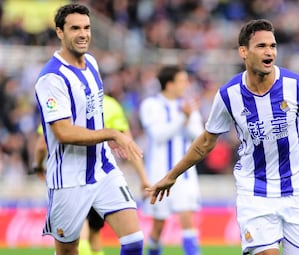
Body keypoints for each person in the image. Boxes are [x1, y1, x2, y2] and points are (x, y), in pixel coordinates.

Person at [146, 19, 299, 255]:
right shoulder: (228, 95)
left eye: (273, 46)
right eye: (261, 46)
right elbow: (206, 141)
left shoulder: (298, 86)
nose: (269, 52)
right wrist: (172, 176)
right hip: (255, 193)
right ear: (243, 52)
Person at [34, 3, 145, 255]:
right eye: (75, 28)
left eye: (87, 27)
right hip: (69, 179)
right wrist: (112, 134)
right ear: (60, 32)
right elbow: (63, 132)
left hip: (103, 167)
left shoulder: (92, 63)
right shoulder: (51, 78)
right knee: (68, 251)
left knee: (134, 241)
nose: (83, 33)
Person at [33, 94, 151, 255]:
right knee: (95, 236)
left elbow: (41, 145)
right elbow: (128, 145)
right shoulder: (110, 104)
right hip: (100, 176)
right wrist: (143, 178)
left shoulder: (62, 105)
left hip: (71, 179)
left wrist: (38, 166)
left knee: (79, 236)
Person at [139, 65, 203, 255]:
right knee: (158, 227)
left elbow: (199, 136)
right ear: (169, 84)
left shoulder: (188, 106)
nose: (186, 85)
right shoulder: (150, 105)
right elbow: (158, 135)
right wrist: (182, 117)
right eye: (182, 81)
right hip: (159, 175)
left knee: (188, 221)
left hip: (185, 177)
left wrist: (188, 117)